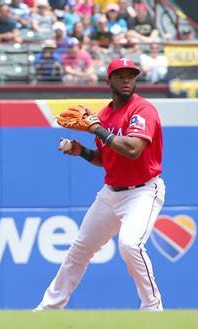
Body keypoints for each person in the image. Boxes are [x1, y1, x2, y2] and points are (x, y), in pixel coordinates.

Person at [35, 57, 165, 311]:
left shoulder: (142, 110)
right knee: (79, 250)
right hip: (111, 192)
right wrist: (81, 151)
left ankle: (152, 308)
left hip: (143, 191)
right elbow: (108, 159)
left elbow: (132, 149)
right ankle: (47, 310)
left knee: (130, 245)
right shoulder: (105, 115)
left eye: (131, 75)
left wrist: (97, 129)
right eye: (120, 75)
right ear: (109, 81)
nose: (127, 80)